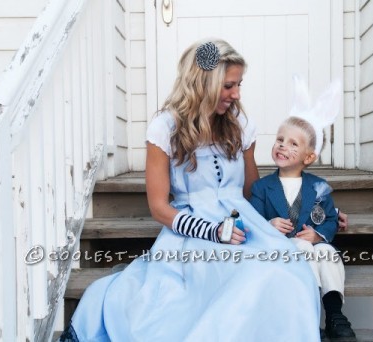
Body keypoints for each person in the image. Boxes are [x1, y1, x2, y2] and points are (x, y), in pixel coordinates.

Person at [60, 38, 321, 341]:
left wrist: (306, 213)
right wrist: (211, 232)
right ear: (204, 83)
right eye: (228, 86)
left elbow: (254, 190)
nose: (236, 94)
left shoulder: (239, 122)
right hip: (192, 233)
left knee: (291, 268)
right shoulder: (165, 128)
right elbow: (159, 207)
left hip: (242, 224)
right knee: (247, 276)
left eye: (238, 85)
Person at [249, 78, 356, 341]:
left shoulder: (318, 187)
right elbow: (252, 219)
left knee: (326, 253)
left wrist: (319, 235)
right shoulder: (262, 187)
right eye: (280, 139)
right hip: (281, 250)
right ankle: (306, 312)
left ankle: (334, 314)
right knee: (303, 248)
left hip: (310, 246)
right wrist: (269, 224)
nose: (283, 145)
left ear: (309, 157)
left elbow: (330, 219)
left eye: (293, 144)